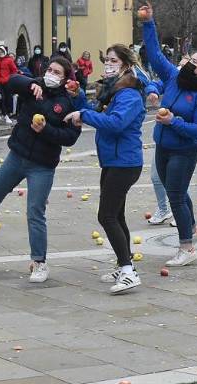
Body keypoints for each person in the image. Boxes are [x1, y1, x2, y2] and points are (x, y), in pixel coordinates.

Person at [0, 57, 81, 282]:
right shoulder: (35, 86)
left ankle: (39, 263)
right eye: (50, 70)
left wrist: (45, 130)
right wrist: (28, 85)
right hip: (18, 154)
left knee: (35, 211)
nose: (52, 74)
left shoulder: (67, 102)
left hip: (43, 165)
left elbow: (70, 138)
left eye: (57, 72)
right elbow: (10, 81)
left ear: (65, 79)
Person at [139, 2, 197, 268]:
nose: (187, 63)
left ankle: (186, 246)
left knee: (174, 194)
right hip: (163, 146)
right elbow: (154, 55)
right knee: (179, 192)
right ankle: (193, 227)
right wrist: (149, 23)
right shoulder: (173, 76)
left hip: (184, 150)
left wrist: (175, 122)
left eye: (193, 62)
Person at [64, 45, 146, 294]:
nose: (108, 64)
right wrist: (79, 99)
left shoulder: (129, 95)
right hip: (113, 161)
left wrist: (84, 115)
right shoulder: (113, 91)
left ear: (125, 65)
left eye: (113, 60)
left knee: (107, 216)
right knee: (116, 216)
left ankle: (128, 272)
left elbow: (116, 123)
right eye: (106, 60)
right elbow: (94, 108)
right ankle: (125, 265)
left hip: (125, 162)